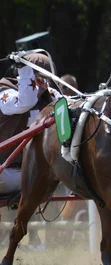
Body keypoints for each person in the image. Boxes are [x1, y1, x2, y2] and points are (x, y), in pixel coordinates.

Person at [0, 53, 59, 194]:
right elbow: (25, 102)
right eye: (38, 79)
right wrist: (24, 67)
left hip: (31, 170)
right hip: (4, 171)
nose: (44, 85)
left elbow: (72, 104)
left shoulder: (49, 94)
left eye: (47, 80)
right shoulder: (4, 92)